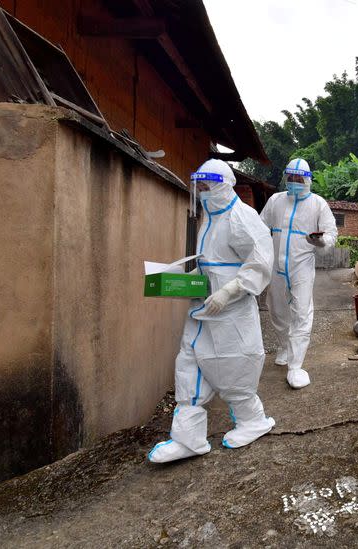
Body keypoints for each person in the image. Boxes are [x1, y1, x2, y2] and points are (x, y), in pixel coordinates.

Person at [148, 159, 275, 463]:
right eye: (200, 186)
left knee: (233, 367)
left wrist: (229, 290)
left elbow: (260, 262)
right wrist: (183, 283)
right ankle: (187, 439)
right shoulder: (209, 218)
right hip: (203, 310)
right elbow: (209, 263)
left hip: (231, 313)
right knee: (189, 366)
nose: (203, 191)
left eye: (208, 186)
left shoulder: (241, 217)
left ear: (224, 185)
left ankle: (252, 421)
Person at [260, 158, 337, 389]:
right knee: (276, 308)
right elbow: (260, 227)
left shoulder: (318, 204)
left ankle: (296, 366)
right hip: (276, 265)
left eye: (299, 178)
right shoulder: (275, 201)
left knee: (302, 312)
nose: (294, 182)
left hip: (301, 264)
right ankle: (284, 345)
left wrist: (321, 240)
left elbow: (332, 234)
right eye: (290, 178)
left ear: (307, 180)